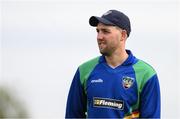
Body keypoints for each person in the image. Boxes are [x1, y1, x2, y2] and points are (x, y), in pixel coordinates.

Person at [65, 9, 161, 118]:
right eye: (98, 31)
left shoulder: (146, 74)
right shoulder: (84, 71)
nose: (99, 37)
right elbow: (72, 115)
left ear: (123, 35)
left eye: (105, 31)